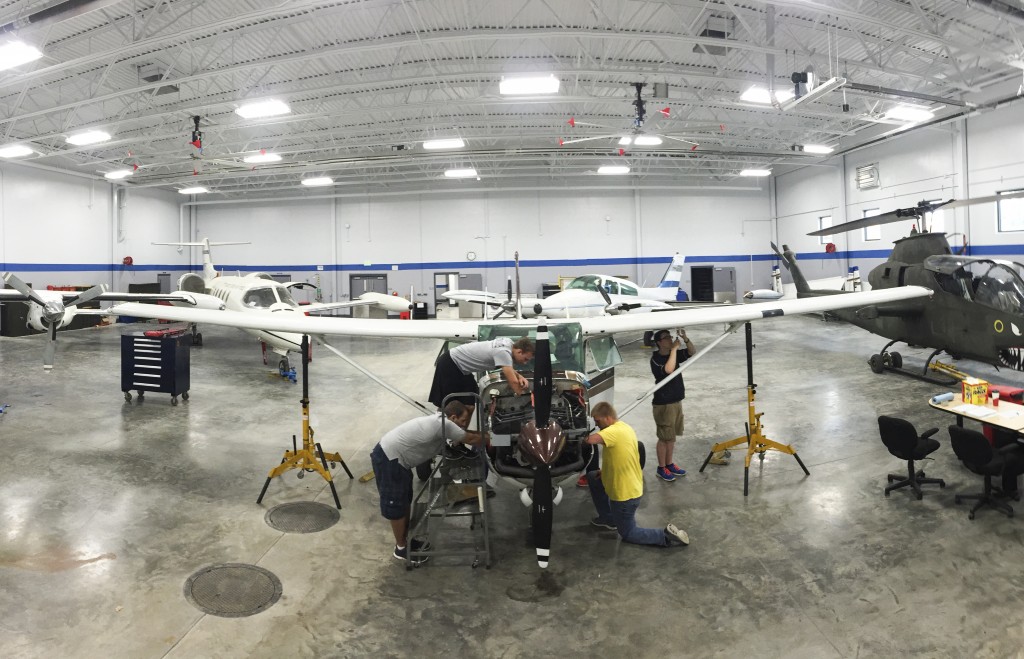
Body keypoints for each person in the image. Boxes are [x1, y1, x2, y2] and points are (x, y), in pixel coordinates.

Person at [369, 400, 484, 564]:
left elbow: (469, 433)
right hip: (390, 459)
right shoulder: (443, 424)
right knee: (396, 506)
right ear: (452, 417)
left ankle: (405, 540)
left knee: (405, 500)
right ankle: (401, 549)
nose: (464, 426)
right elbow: (472, 438)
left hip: (398, 460)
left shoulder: (441, 422)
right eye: (463, 421)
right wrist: (503, 440)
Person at [585, 402, 689, 547]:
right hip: (632, 485)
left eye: (598, 421)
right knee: (592, 477)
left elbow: (589, 440)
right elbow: (622, 456)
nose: (596, 425)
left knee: (628, 533)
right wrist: (605, 472)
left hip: (625, 497)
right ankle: (609, 519)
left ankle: (665, 536)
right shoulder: (624, 427)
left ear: (608, 418)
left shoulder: (612, 432)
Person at [650, 328, 728, 482]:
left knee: (671, 437)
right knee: (664, 437)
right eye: (666, 338)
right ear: (659, 342)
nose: (670, 339)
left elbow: (692, 352)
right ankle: (661, 468)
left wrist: (685, 338)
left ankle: (669, 463)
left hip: (676, 401)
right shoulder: (656, 358)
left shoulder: (674, 354)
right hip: (664, 404)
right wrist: (674, 350)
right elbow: (669, 369)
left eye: (670, 337)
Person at [428, 337, 535, 414]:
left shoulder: (509, 343)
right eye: (525, 359)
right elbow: (514, 383)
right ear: (519, 351)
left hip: (462, 368)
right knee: (450, 408)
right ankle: (447, 437)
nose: (525, 363)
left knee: (469, 405)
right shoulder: (503, 352)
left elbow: (507, 368)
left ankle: (458, 440)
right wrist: (529, 399)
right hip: (451, 364)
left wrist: (520, 376)